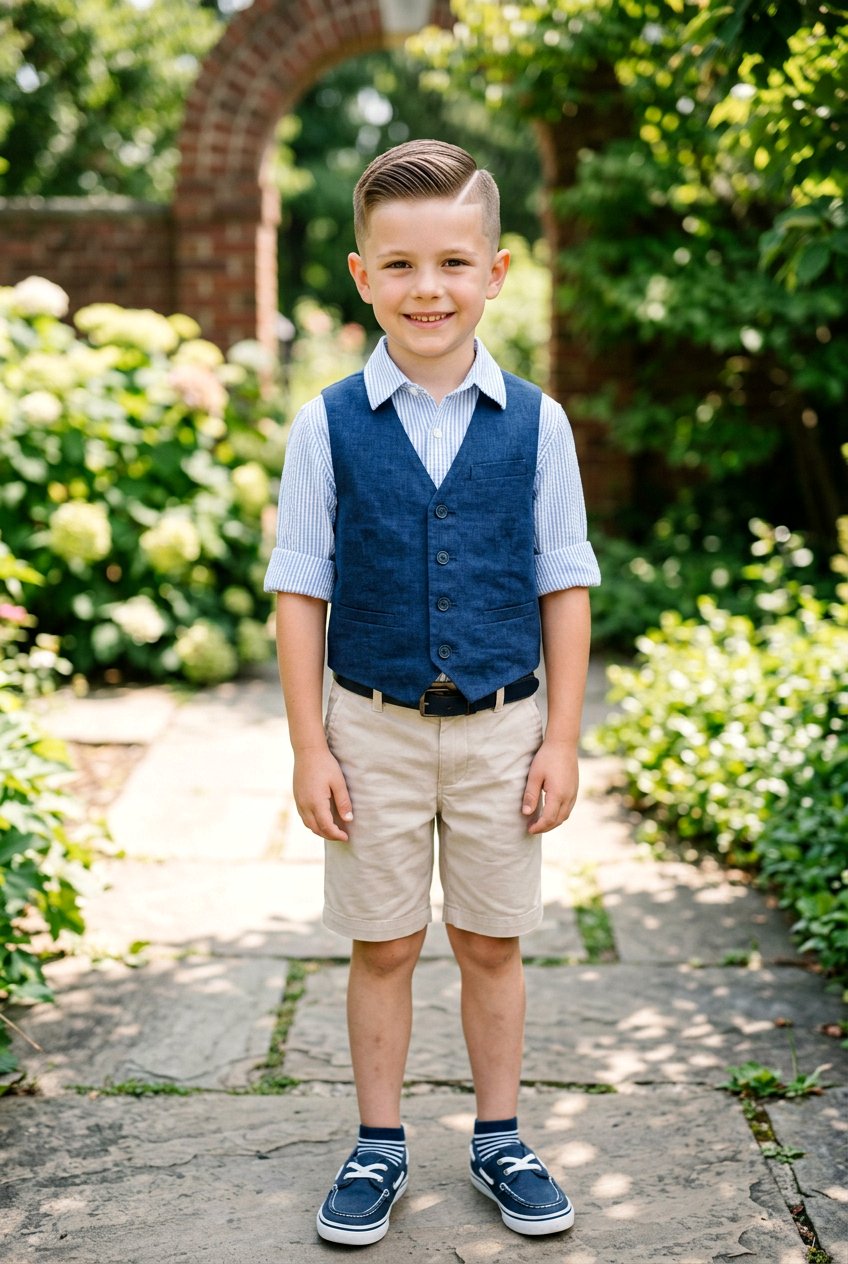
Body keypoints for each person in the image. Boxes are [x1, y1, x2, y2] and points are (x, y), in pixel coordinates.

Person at [264, 138, 601, 1246]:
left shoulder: (538, 423)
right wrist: (310, 746)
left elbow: (564, 580)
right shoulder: (325, 424)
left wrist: (562, 737)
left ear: (494, 272)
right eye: (400, 265)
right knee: (384, 943)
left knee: (491, 941)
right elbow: (300, 588)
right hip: (371, 729)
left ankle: (500, 1136)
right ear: (362, 275)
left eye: (453, 263)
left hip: (505, 729)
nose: (428, 289)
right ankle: (378, 1142)